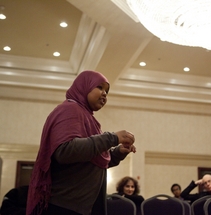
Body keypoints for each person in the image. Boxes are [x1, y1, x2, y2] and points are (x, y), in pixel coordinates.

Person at [26, 70, 136, 215]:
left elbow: (94, 161)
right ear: (83, 86)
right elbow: (65, 151)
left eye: (107, 91)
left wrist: (118, 153)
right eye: (100, 87)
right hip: (63, 207)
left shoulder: (88, 119)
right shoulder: (70, 109)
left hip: (80, 208)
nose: (104, 94)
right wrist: (112, 138)